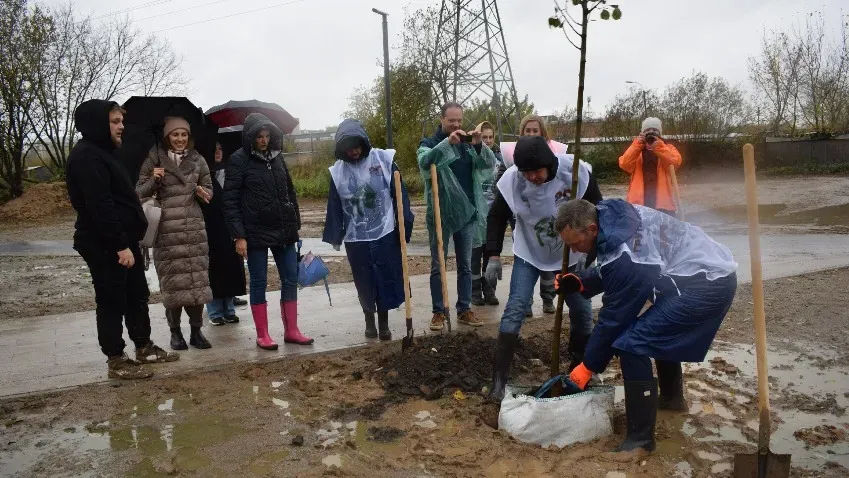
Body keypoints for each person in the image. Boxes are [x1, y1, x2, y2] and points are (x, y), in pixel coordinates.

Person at [555, 198, 737, 461]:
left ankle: (639, 443)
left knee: (631, 343)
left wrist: (588, 365)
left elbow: (614, 317)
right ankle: (672, 399)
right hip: (696, 272)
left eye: (575, 243)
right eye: (567, 244)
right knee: (656, 331)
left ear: (592, 229)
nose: (573, 251)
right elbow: (612, 269)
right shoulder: (611, 217)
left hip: (707, 283)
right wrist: (581, 283)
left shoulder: (627, 255)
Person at [66, 99, 179, 380]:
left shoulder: (105, 153)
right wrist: (119, 245)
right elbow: (99, 206)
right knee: (112, 300)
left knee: (135, 295)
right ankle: (116, 358)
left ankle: (143, 347)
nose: (121, 127)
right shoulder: (87, 157)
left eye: (122, 122)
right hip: (105, 244)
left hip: (124, 241)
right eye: (115, 122)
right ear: (97, 124)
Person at [485, 135, 602, 401]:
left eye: (537, 171)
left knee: (582, 311)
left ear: (549, 164)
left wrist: (591, 252)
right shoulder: (513, 182)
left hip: (571, 253)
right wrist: (493, 254)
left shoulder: (573, 173)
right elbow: (496, 215)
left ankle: (579, 368)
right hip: (529, 250)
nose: (533, 177)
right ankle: (499, 381)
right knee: (515, 308)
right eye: (527, 172)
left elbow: (599, 209)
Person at [223, 113, 313, 350]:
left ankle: (291, 330)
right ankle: (262, 334)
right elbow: (230, 200)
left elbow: (289, 192)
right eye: (259, 137)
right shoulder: (238, 160)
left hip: (284, 231)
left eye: (267, 136)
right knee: (259, 281)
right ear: (250, 137)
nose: (263, 141)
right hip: (254, 233)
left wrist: (295, 222)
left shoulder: (278, 158)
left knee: (290, 279)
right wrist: (238, 235)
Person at [322, 119, 414, 340]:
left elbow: (399, 194)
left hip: (385, 232)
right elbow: (334, 204)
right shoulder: (338, 173)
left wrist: (405, 224)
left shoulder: (383, 160)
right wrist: (336, 234)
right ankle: (369, 321)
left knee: (385, 278)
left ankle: (384, 324)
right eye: (348, 147)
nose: (353, 151)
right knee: (365, 280)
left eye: (357, 146)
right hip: (357, 238)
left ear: (363, 143)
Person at [136, 117, 214, 351]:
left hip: (193, 229)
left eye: (183, 135)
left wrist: (203, 193)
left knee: (196, 283)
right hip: (167, 230)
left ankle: (197, 331)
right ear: (167, 136)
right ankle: (175, 332)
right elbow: (138, 192)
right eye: (175, 135)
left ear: (188, 137)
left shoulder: (198, 159)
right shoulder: (154, 158)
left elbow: (209, 190)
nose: (180, 139)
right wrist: (153, 179)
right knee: (173, 285)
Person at [418, 102, 497, 330]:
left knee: (465, 265)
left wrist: (479, 144)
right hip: (440, 213)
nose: (456, 125)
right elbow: (424, 162)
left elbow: (487, 166)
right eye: (451, 120)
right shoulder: (430, 143)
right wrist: (446, 144)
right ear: (442, 119)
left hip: (468, 213)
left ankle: (464, 309)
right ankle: (438, 311)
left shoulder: (467, 145)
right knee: (438, 265)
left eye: (459, 120)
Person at [203, 142, 246, 326]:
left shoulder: (230, 172)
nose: (218, 152)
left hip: (230, 228)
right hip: (210, 228)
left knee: (231, 268)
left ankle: (229, 309)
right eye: (214, 149)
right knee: (213, 269)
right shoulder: (202, 174)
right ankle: (214, 311)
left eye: (220, 148)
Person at [618, 117, 682, 216]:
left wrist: (659, 147)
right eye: (647, 130)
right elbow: (624, 164)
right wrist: (637, 145)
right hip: (637, 205)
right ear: (642, 133)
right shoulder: (636, 150)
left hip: (663, 205)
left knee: (663, 231)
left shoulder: (668, 148)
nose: (651, 133)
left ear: (659, 134)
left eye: (655, 131)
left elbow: (675, 162)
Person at [470, 121, 502, 307]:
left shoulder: (499, 159)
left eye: (491, 137)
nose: (488, 141)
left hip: (493, 216)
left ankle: (490, 291)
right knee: (474, 258)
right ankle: (475, 293)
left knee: (491, 255)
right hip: (476, 216)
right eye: (484, 137)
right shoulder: (474, 157)